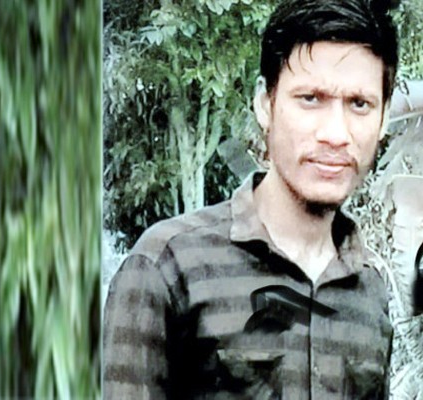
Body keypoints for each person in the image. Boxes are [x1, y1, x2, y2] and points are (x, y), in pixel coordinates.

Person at [103, 0, 399, 398]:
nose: (335, 134)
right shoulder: (169, 265)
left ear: (383, 118)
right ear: (265, 103)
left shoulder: (369, 292)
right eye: (310, 98)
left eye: (359, 104)